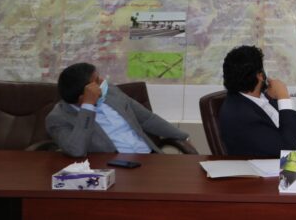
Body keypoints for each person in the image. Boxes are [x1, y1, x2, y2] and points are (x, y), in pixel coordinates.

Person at [46, 62, 189, 157]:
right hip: (113, 166)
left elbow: (147, 119)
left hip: (149, 157)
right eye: (96, 81)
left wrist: (183, 136)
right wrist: (88, 106)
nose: (103, 82)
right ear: (83, 94)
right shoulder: (58, 118)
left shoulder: (112, 92)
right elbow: (76, 150)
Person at [218, 45, 296, 157]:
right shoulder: (241, 116)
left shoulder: (263, 96)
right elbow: (287, 154)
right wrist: (283, 97)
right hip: (285, 165)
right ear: (260, 75)